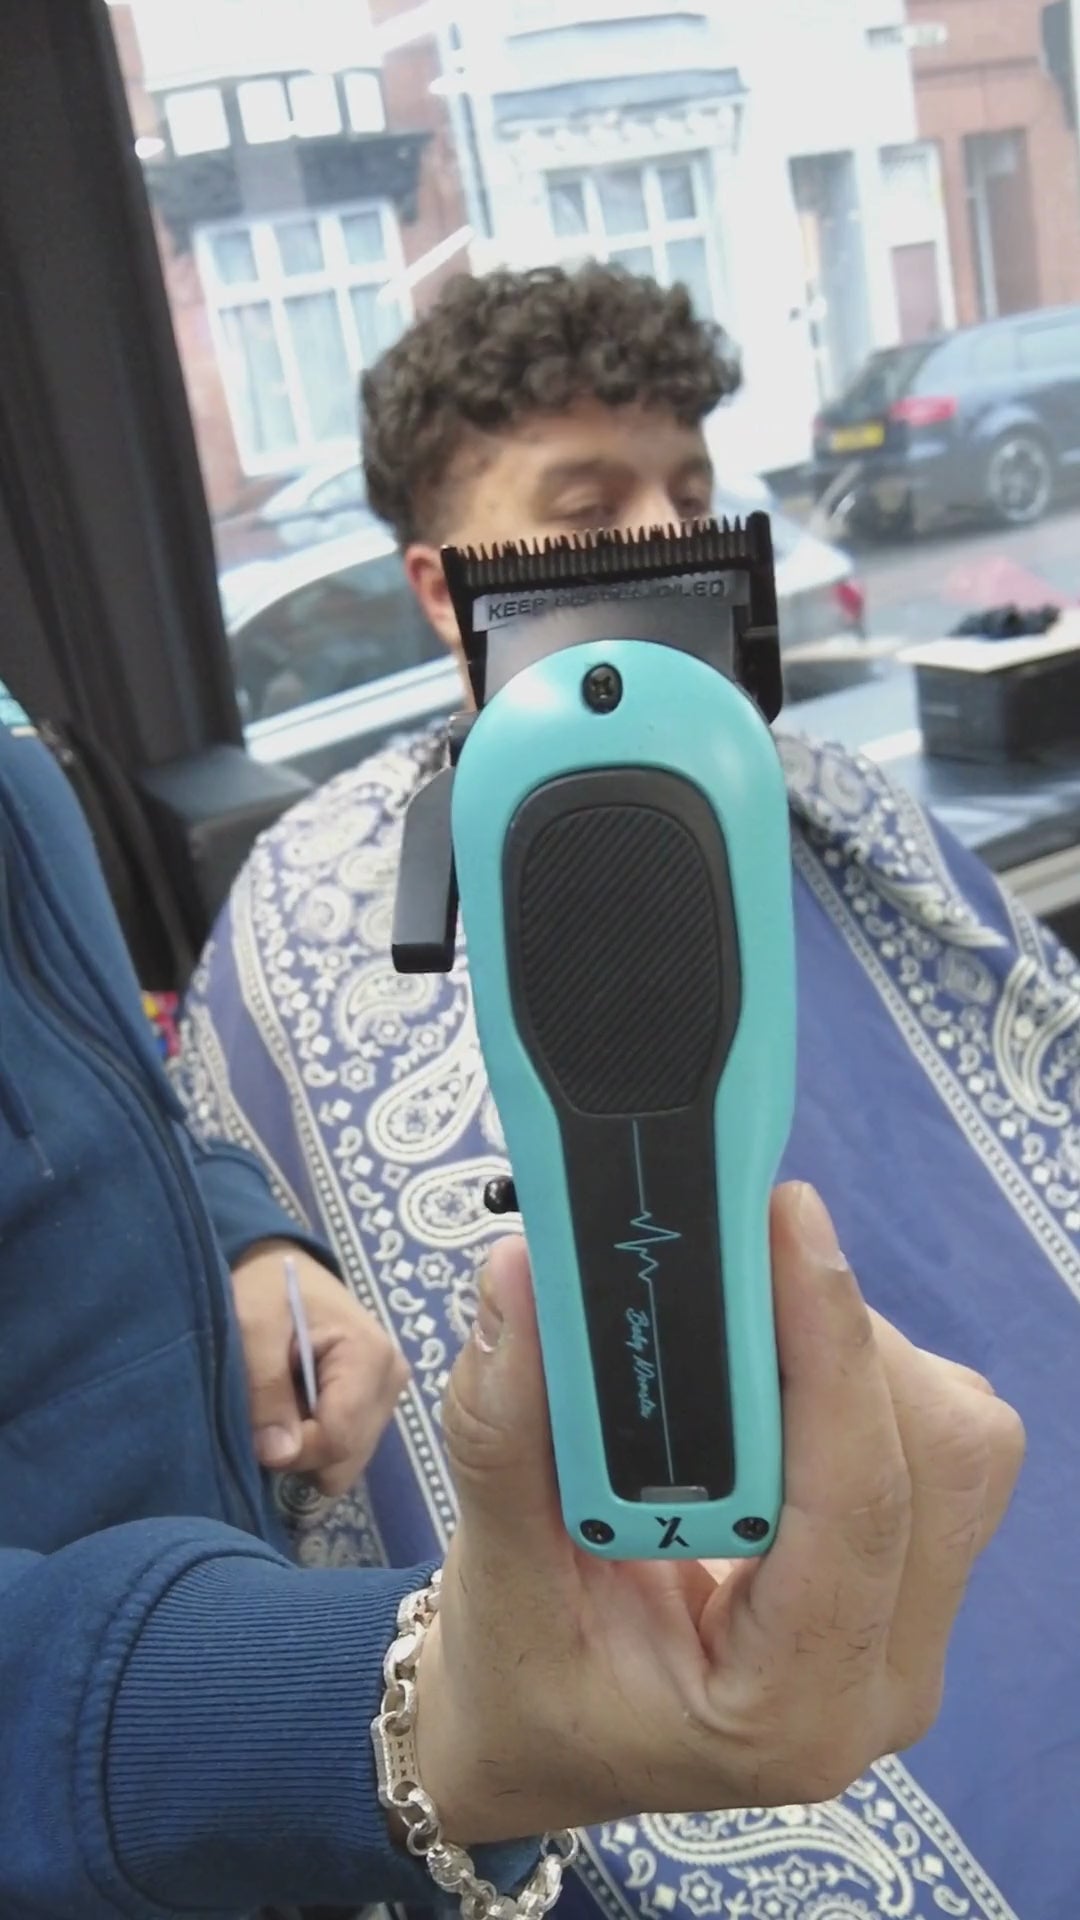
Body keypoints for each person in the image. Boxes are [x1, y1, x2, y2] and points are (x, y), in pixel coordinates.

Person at [176, 266, 1077, 1920]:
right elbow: (245, 1187)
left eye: (689, 488)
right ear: (445, 586)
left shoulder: (834, 798)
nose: (663, 536)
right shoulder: (317, 907)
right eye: (588, 509)